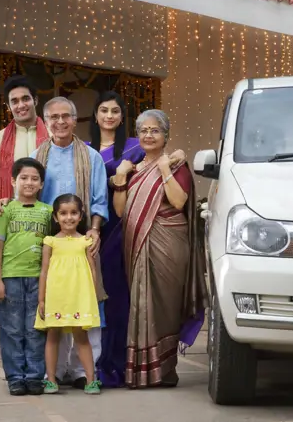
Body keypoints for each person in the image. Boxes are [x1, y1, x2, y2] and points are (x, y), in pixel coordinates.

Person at [0, 96, 109, 389]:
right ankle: (52, 372)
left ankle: (84, 372)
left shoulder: (91, 156)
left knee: (86, 302)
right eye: (54, 117)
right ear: (47, 121)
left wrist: (94, 230)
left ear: (74, 120)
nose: (60, 122)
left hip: (82, 242)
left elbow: (98, 200)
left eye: (66, 116)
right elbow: (27, 191)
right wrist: (7, 200)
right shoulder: (38, 154)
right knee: (53, 305)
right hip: (50, 244)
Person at [88, 91, 187, 387]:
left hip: (149, 238)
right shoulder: (92, 152)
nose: (109, 116)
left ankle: (148, 366)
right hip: (111, 234)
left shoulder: (144, 152)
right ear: (95, 115)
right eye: (103, 110)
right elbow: (117, 204)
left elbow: (177, 191)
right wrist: (119, 178)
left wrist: (171, 162)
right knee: (116, 301)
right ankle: (111, 365)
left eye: (115, 110)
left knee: (148, 302)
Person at [113, 109, 208, 389]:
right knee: (140, 303)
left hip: (169, 243)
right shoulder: (132, 169)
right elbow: (120, 212)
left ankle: (166, 369)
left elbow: (178, 202)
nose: (148, 135)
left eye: (155, 130)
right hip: (136, 243)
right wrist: (120, 177)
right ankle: (142, 371)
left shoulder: (178, 167)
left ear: (166, 136)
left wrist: (165, 168)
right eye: (143, 130)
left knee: (165, 306)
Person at [0, 158, 53, 396]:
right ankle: (15, 377)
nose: (29, 182)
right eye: (24, 178)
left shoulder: (48, 213)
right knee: (12, 329)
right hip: (11, 279)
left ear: (41, 184)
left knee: (36, 329)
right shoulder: (4, 210)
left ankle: (35, 376)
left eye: (34, 178)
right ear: (13, 181)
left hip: (39, 279)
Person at [35, 194, 102, 395]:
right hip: (57, 296)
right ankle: (51, 379)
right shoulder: (50, 242)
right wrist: (41, 298)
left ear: (81, 216)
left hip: (79, 296)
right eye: (63, 213)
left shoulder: (85, 241)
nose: (68, 218)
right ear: (56, 217)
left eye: (73, 213)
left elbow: (92, 270)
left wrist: (92, 296)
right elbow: (44, 271)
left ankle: (91, 379)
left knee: (81, 337)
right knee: (53, 335)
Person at [0, 75, 48, 215]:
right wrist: (5, 213)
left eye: (26, 99)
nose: (21, 105)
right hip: (11, 221)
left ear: (35, 100)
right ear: (9, 107)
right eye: (14, 101)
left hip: (49, 218)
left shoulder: (53, 137)